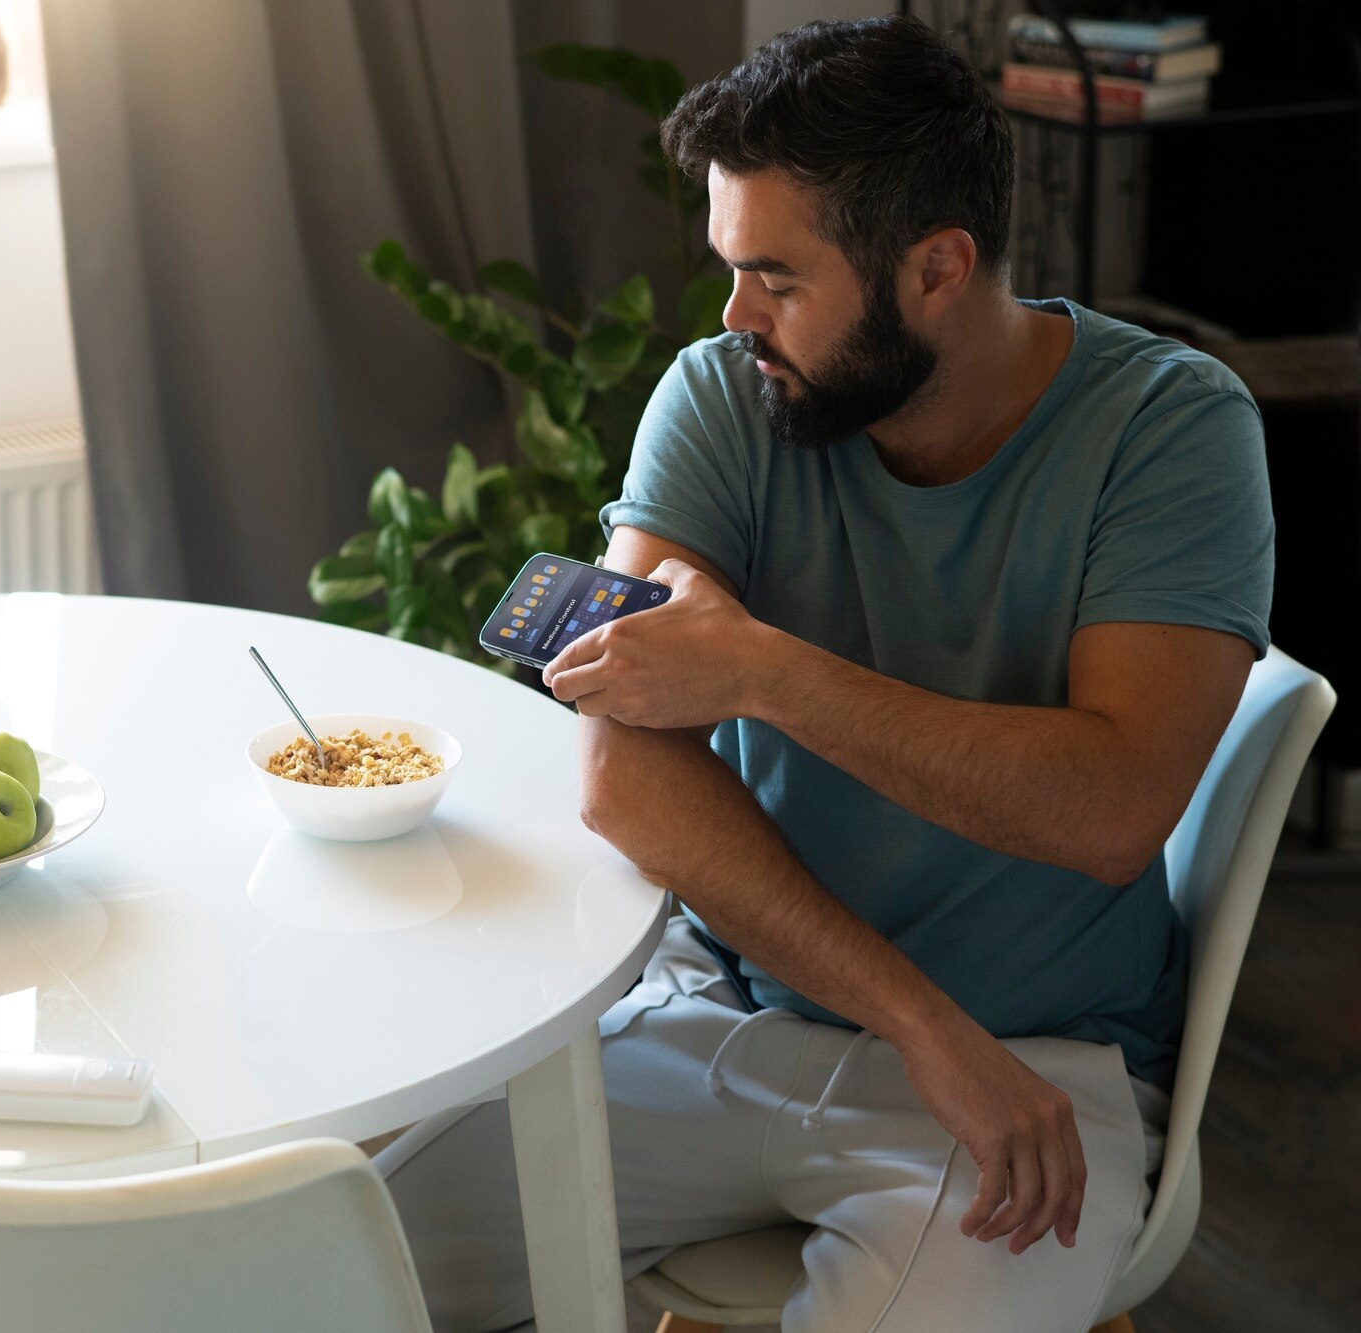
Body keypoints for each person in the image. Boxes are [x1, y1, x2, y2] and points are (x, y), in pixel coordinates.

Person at [376, 15, 1273, 1332]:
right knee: (330, 1255)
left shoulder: (1173, 430)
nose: (734, 315)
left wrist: (756, 671)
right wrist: (914, 1017)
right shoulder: (722, 395)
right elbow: (626, 774)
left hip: (1032, 1077)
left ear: (936, 270)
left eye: (777, 279)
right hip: (727, 1013)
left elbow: (1112, 807)